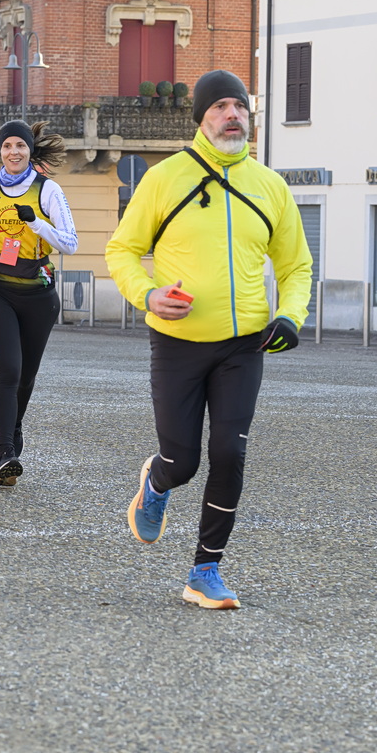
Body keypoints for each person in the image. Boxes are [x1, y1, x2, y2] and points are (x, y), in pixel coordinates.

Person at [105, 70, 311, 610]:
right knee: (184, 460)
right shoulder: (164, 179)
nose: (232, 115)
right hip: (177, 343)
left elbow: (296, 266)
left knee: (229, 453)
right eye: (219, 106)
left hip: (244, 345)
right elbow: (121, 250)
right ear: (200, 118)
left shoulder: (270, 186)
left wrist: (290, 316)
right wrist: (148, 295)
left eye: (239, 106)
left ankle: (205, 571)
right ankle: (157, 481)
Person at [0, 120, 77, 486]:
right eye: (7, 146)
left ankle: (14, 428)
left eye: (20, 146)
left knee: (26, 377)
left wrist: (37, 225)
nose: (13, 152)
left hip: (38, 294)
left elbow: (70, 243)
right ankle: (6, 453)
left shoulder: (48, 190)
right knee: (9, 371)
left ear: (30, 150)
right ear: (0, 151)